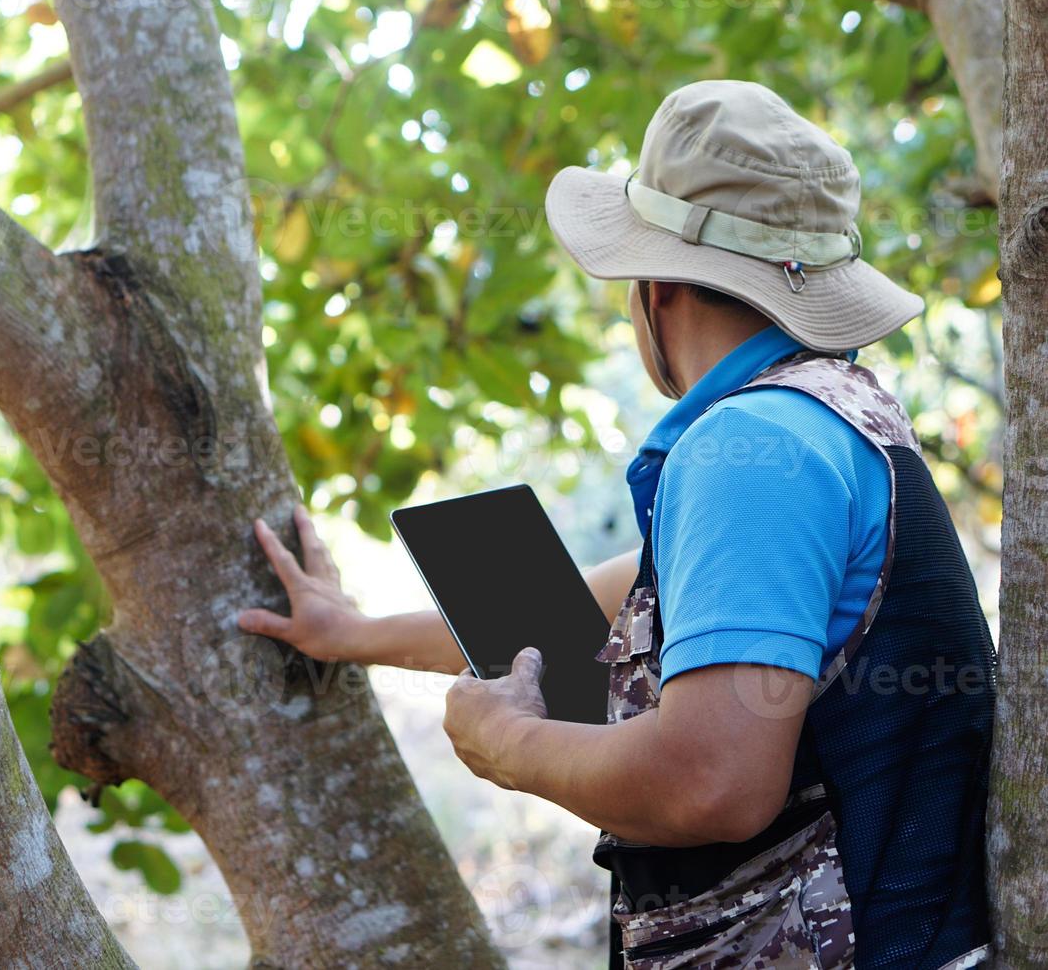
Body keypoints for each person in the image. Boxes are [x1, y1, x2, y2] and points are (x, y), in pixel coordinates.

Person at [237, 81, 995, 968]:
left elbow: (715, 782)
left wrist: (507, 744)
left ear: (659, 287)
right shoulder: (836, 418)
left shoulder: (749, 446)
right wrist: (351, 631)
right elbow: (589, 604)